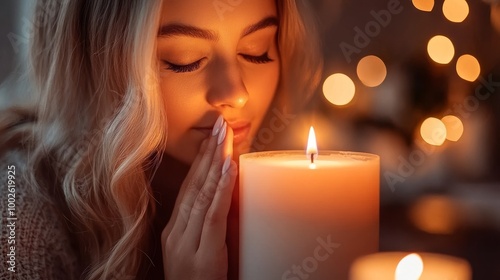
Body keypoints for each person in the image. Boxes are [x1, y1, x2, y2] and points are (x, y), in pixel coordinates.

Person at [0, 0, 322, 279]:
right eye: (185, 61)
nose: (237, 94)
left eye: (257, 52)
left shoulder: (293, 197)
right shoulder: (21, 213)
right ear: (97, 63)